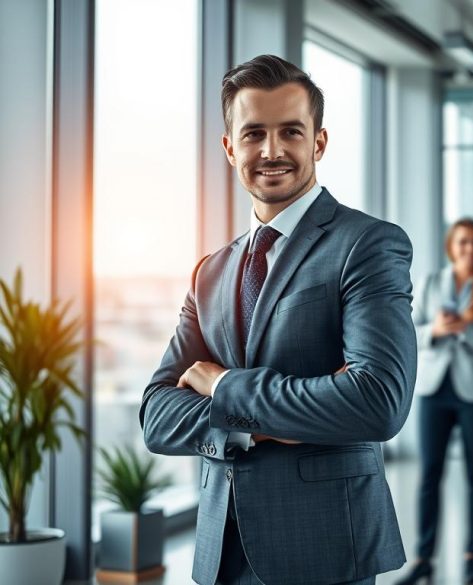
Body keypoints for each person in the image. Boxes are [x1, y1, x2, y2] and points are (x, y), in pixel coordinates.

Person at [139, 55, 415, 585]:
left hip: (325, 547)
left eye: (291, 131)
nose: (271, 150)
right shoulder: (210, 273)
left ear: (319, 142)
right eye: (253, 134)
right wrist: (266, 426)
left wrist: (221, 385)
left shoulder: (367, 245)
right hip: (220, 552)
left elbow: (378, 402)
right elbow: (157, 416)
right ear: (229, 148)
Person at [398, 219, 473, 585]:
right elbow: (409, 332)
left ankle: (471, 556)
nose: (470, 249)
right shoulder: (432, 282)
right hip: (434, 388)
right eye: (463, 242)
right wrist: (437, 331)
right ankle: (424, 558)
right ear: (451, 245)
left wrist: (464, 332)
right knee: (431, 474)